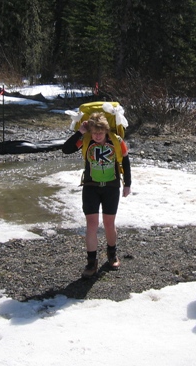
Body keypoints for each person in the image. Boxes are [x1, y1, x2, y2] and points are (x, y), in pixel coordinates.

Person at [62, 112, 132, 279]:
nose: (98, 136)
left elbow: (125, 160)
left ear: (106, 131)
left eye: (100, 133)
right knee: (91, 225)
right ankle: (91, 262)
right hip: (91, 188)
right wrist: (80, 132)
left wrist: (127, 184)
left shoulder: (116, 141)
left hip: (111, 188)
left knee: (109, 223)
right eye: (94, 132)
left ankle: (112, 254)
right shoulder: (85, 140)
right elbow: (66, 149)